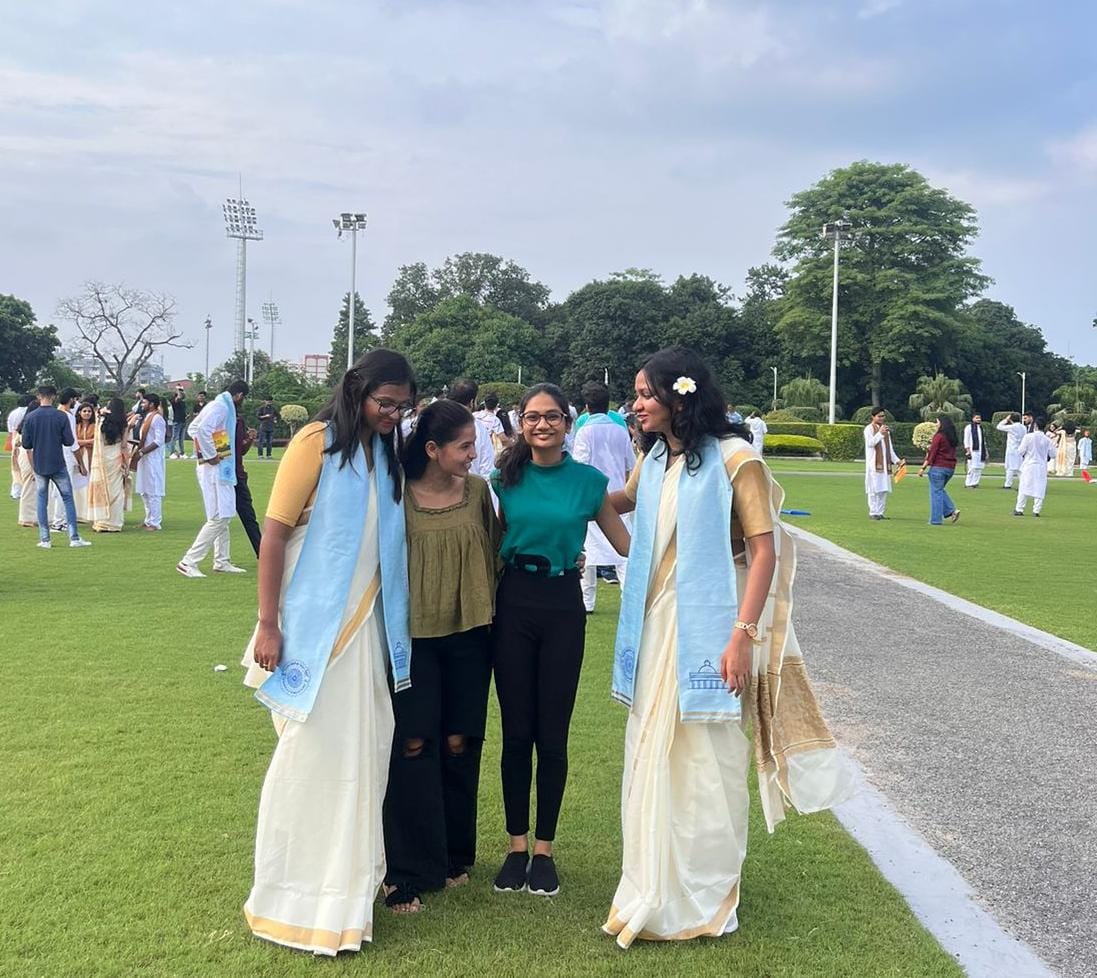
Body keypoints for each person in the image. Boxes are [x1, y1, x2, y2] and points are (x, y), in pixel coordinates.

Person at [602, 347, 853, 948]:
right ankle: (651, 886)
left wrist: (742, 636)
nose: (635, 405)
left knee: (707, 759)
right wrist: (548, 474)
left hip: (712, 627)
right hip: (657, 624)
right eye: (637, 394)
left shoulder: (736, 459)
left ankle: (706, 893)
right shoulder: (655, 459)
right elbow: (619, 503)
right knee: (650, 749)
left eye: (645, 394)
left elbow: (765, 550)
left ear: (679, 396)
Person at [241, 349, 415, 956]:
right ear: (355, 390)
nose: (393, 415)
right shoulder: (315, 442)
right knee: (308, 761)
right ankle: (291, 898)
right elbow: (274, 535)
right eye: (385, 403)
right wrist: (268, 625)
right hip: (311, 634)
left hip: (365, 634)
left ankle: (346, 896)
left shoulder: (383, 455)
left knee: (365, 759)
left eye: (402, 407)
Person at [489, 383, 630, 898]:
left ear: (568, 424)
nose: (542, 424)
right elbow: (492, 542)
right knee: (515, 733)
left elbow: (626, 545)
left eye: (551, 416)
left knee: (553, 733)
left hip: (563, 607)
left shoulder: (588, 483)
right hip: (513, 604)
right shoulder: (504, 477)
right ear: (521, 423)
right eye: (532, 417)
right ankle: (516, 847)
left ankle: (544, 850)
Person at [381, 400, 502, 914]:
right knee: (412, 744)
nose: (473, 455)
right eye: (464, 446)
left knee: (458, 742)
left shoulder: (477, 492)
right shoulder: (396, 494)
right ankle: (404, 870)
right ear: (432, 449)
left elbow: (496, 551)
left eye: (475, 445)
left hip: (471, 636)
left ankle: (454, 855)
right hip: (411, 641)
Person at [572, 381, 635, 614]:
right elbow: (631, 465)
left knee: (588, 551)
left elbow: (579, 467)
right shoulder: (620, 430)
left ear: (587, 406)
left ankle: (587, 602)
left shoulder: (585, 431)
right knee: (625, 551)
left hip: (593, 498)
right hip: (620, 498)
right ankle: (629, 598)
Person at [177, 381, 249, 576]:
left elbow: (194, 428)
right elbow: (201, 430)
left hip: (217, 466)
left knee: (220, 514)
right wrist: (211, 455)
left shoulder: (216, 405)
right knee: (222, 515)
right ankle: (189, 561)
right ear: (239, 395)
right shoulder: (221, 407)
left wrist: (216, 449)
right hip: (215, 469)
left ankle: (222, 560)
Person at [18, 385, 91, 549]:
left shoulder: (30, 417)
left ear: (39, 396)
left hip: (39, 463)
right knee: (68, 498)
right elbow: (69, 441)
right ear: (53, 396)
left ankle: (45, 539)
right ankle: (74, 537)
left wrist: (33, 465)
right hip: (58, 463)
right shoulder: (61, 416)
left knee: (42, 500)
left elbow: (27, 445)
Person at [88, 398, 132, 532]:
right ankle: (114, 523)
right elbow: (124, 445)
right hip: (116, 456)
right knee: (116, 490)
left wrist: (101, 413)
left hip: (102, 456)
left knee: (103, 487)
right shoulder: (123, 423)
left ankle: (102, 521)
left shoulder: (102, 421)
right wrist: (126, 462)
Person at [48, 388, 87, 530]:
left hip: (52, 455)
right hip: (65, 456)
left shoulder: (53, 414)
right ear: (71, 399)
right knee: (63, 490)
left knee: (56, 489)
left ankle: (59, 519)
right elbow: (73, 442)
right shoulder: (67, 416)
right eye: (75, 400)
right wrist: (81, 463)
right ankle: (59, 521)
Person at [448, 379, 496, 477]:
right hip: (470, 484)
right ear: (472, 402)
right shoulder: (478, 428)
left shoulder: (438, 423)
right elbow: (487, 469)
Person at [918, 416, 960, 525]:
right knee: (939, 490)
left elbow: (932, 454)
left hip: (938, 467)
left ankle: (936, 520)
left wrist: (923, 467)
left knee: (935, 493)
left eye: (937, 422)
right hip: (950, 468)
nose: (936, 424)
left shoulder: (939, 436)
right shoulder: (952, 438)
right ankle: (951, 510)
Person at [234, 406, 262, 557]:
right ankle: (190, 559)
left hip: (236, 474)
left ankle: (261, 551)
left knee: (248, 516)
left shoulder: (238, 422)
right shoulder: (223, 422)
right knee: (218, 520)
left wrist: (250, 439)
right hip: (228, 475)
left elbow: (241, 450)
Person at [1014, 417, 1056, 517]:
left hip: (1029, 465)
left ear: (1035, 426)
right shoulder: (1047, 440)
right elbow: (1053, 454)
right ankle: (1036, 510)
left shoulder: (1028, 437)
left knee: (1024, 486)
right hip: (1041, 466)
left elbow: (1020, 451)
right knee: (1039, 487)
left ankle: (1019, 508)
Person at [863, 407, 899, 520]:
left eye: (883, 416)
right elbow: (870, 443)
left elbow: (889, 449)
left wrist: (897, 461)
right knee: (874, 489)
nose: (881, 418)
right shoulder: (869, 429)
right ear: (873, 417)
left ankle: (880, 512)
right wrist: (879, 433)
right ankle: (873, 512)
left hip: (885, 465)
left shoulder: (885, 430)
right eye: (879, 416)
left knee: (883, 489)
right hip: (873, 464)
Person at [15, 402, 41, 526]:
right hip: (29, 456)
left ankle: (30, 517)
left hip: (24, 456)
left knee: (30, 486)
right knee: (30, 486)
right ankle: (27, 518)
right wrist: (35, 467)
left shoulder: (24, 425)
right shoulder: (30, 426)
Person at [73, 402, 97, 521]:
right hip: (78, 456)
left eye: (89, 411)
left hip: (91, 456)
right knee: (78, 484)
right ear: (79, 413)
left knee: (89, 483)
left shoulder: (95, 426)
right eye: (84, 411)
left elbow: (97, 441)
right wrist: (87, 441)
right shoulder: (75, 426)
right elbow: (73, 441)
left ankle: (88, 513)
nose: (87, 413)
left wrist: (81, 442)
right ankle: (78, 513)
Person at [8, 393, 31, 499]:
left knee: (15, 468)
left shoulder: (13, 413)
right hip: (24, 441)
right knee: (25, 467)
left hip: (15, 440)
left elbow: (11, 430)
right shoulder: (28, 412)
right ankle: (24, 490)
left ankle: (16, 491)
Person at [996, 412, 1027, 489]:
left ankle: (1010, 484)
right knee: (1017, 468)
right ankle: (1015, 484)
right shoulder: (1024, 427)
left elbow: (999, 426)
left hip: (1012, 450)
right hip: (1020, 449)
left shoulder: (1012, 427)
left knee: (1012, 468)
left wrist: (1006, 420)